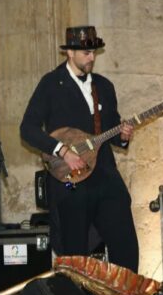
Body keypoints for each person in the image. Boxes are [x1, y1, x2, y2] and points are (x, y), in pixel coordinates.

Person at [20, 26, 139, 271]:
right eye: (86, 53)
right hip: (71, 181)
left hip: (105, 175)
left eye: (93, 52)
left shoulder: (104, 86)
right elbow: (28, 129)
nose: (92, 58)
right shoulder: (51, 84)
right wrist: (63, 151)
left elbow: (112, 132)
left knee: (125, 244)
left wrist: (123, 136)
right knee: (75, 256)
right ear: (70, 53)